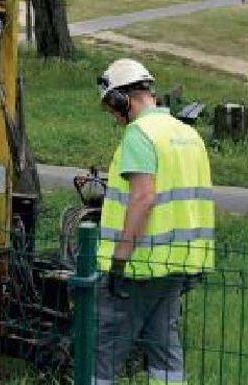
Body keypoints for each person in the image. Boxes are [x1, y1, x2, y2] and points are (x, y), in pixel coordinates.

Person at [94, 58, 215, 384]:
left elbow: (143, 198)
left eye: (112, 109)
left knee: (103, 346)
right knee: (164, 347)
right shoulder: (188, 136)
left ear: (121, 99)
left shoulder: (140, 134)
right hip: (180, 263)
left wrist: (119, 260)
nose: (116, 118)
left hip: (139, 265)